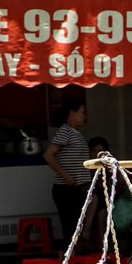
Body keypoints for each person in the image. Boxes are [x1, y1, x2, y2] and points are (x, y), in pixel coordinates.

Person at [43, 100, 91, 246]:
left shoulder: (76, 134)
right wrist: (66, 176)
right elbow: (48, 155)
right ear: (72, 113)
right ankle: (64, 258)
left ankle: (71, 258)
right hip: (66, 189)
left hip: (78, 188)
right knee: (70, 227)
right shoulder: (65, 131)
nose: (84, 116)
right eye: (82, 112)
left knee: (76, 225)